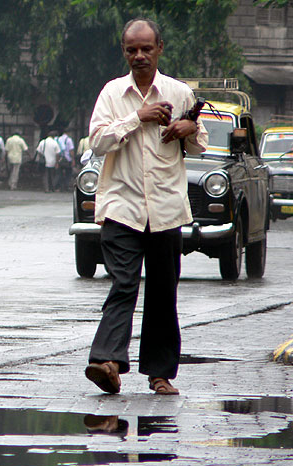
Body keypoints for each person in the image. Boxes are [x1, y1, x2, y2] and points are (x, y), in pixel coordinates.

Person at [83, 18, 208, 396]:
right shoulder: (112, 94)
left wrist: (189, 130)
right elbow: (97, 142)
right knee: (123, 283)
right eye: (131, 49)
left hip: (167, 208)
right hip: (122, 206)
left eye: (146, 49)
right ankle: (106, 362)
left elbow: (200, 143)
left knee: (162, 290)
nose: (139, 56)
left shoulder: (179, 92)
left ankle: (159, 374)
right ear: (124, 51)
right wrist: (137, 117)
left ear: (159, 49)